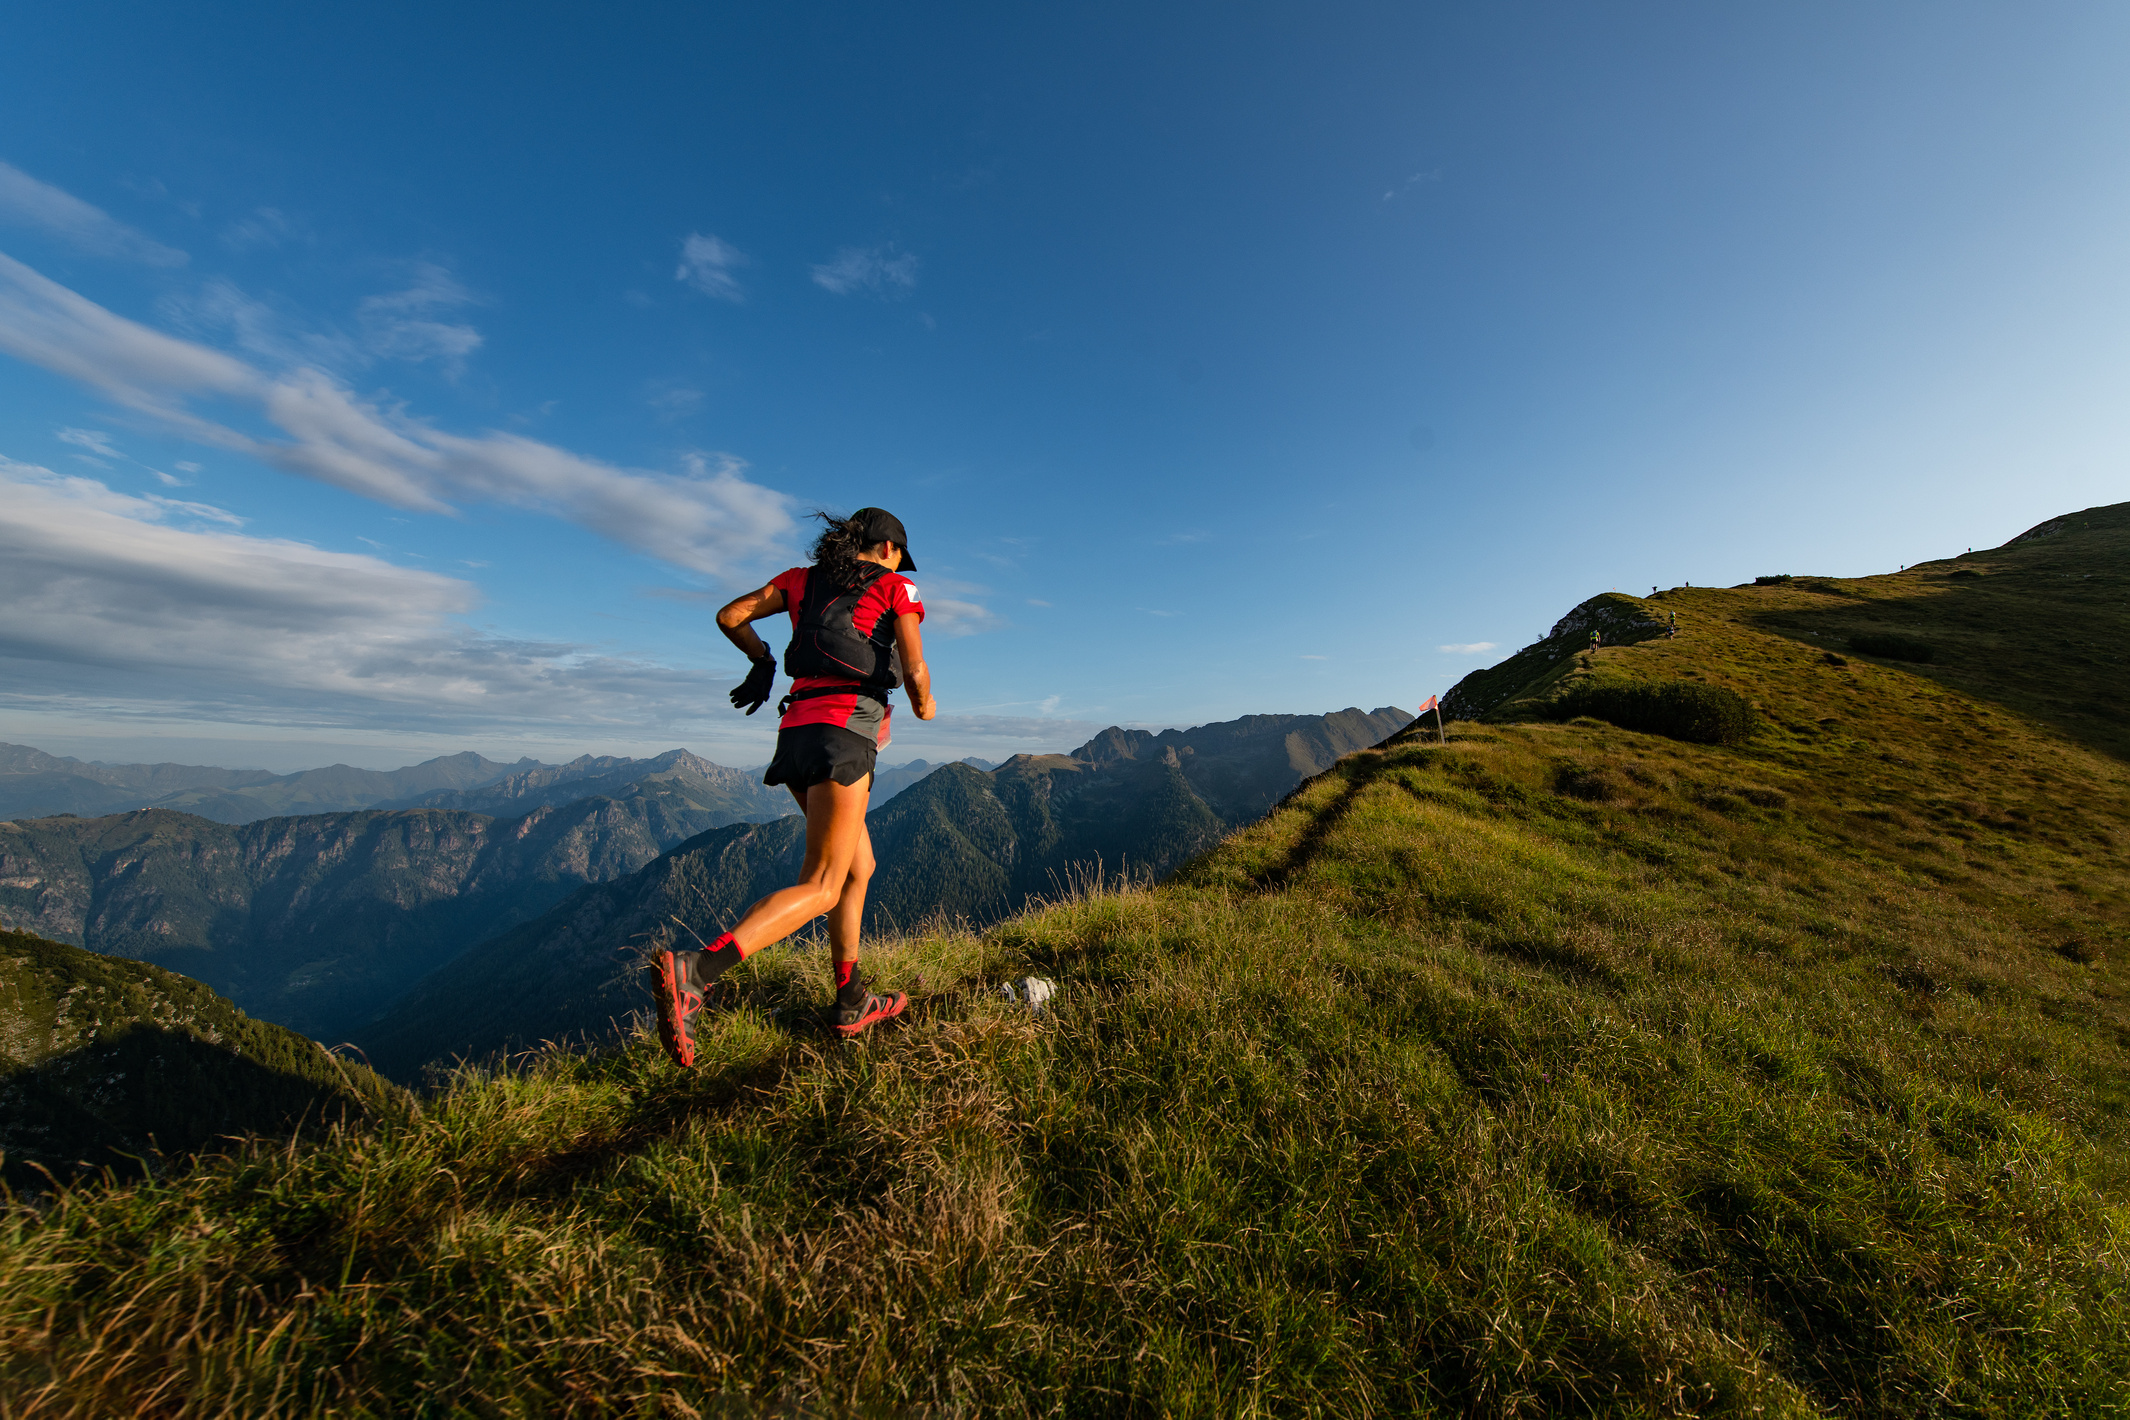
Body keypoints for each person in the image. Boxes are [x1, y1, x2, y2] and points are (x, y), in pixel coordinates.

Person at [648, 508, 937, 1067]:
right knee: (824, 883)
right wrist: (924, 705)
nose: (900, 562)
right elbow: (916, 668)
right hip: (844, 735)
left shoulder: (799, 579)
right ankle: (696, 973)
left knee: (858, 867)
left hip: (795, 734)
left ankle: (851, 998)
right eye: (899, 553)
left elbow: (730, 614)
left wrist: (762, 659)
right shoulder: (898, 587)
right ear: (885, 549)